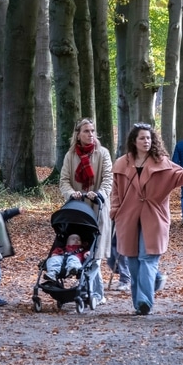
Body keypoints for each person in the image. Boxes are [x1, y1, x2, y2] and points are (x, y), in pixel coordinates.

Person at [111, 122, 183, 315]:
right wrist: (115, 211)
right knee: (133, 261)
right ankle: (138, 303)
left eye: (149, 138)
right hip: (127, 216)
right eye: (142, 138)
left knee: (148, 258)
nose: (146, 141)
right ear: (134, 141)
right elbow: (115, 191)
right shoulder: (121, 163)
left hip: (154, 216)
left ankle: (145, 301)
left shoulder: (162, 162)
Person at [59, 118, 113, 300]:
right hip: (77, 209)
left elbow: (108, 179)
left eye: (92, 131)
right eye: (86, 131)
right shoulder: (70, 155)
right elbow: (64, 180)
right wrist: (71, 193)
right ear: (78, 134)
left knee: (95, 253)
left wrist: (99, 194)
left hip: (97, 209)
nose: (90, 134)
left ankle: (94, 293)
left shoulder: (103, 153)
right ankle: (95, 293)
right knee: (82, 250)